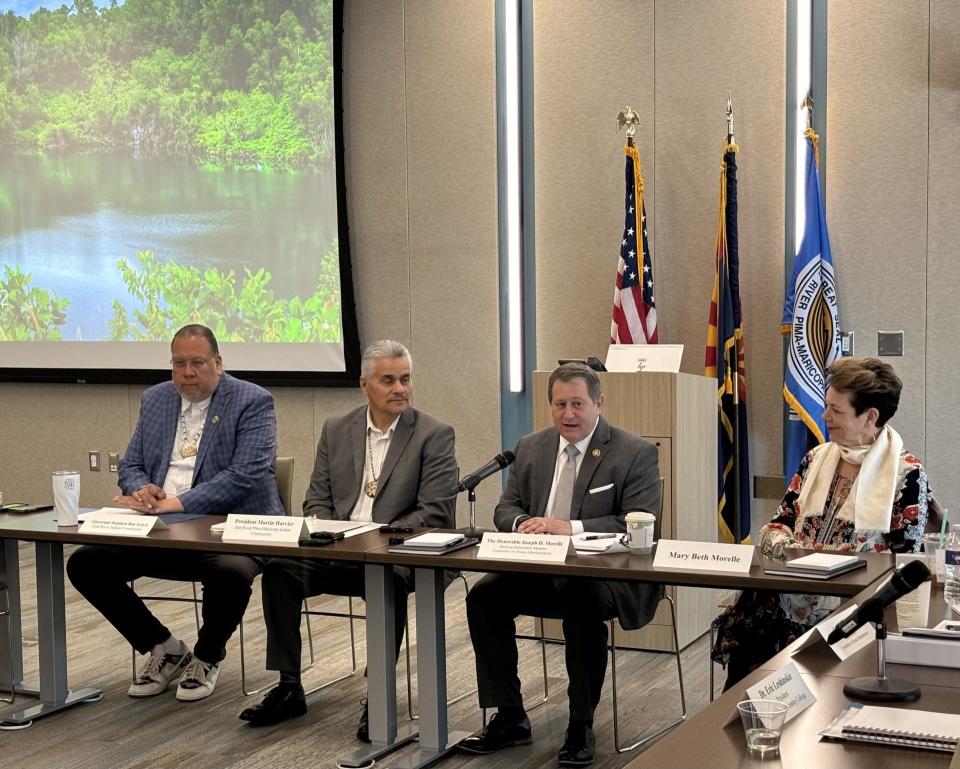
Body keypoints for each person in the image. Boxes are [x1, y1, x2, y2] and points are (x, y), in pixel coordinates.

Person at [238, 339, 457, 738]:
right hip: (336, 550)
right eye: (388, 380)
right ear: (364, 384)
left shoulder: (434, 435)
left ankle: (379, 696)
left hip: (395, 555)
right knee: (281, 571)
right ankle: (289, 686)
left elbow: (435, 513)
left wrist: (370, 542)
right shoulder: (337, 429)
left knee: (386, 581)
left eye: (405, 379)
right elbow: (315, 500)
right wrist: (332, 537)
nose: (400, 389)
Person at [67, 324, 283, 702]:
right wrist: (142, 490)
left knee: (229, 571)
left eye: (197, 363)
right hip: (164, 529)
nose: (187, 372)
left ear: (218, 362)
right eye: (179, 363)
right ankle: (164, 648)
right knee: (86, 562)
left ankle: (207, 655)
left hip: (231, 528)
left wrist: (177, 503)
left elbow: (244, 476)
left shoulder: (252, 401)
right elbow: (131, 464)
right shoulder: (156, 399)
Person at [458, 362, 660, 767]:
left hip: (602, 572)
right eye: (560, 404)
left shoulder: (634, 451)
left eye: (578, 404)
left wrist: (568, 528)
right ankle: (511, 715)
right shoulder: (531, 446)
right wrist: (522, 524)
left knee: (583, 607)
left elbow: (637, 521)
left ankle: (580, 724)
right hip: (538, 565)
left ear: (599, 403)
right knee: (484, 597)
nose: (568, 414)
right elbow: (506, 506)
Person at [712, 356, 932, 689]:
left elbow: (905, 563)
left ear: (870, 416)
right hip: (789, 597)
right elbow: (777, 524)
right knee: (752, 617)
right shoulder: (815, 458)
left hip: (854, 610)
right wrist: (795, 553)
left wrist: (823, 561)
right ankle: (741, 722)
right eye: (826, 406)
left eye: (836, 410)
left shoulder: (907, 475)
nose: (824, 416)